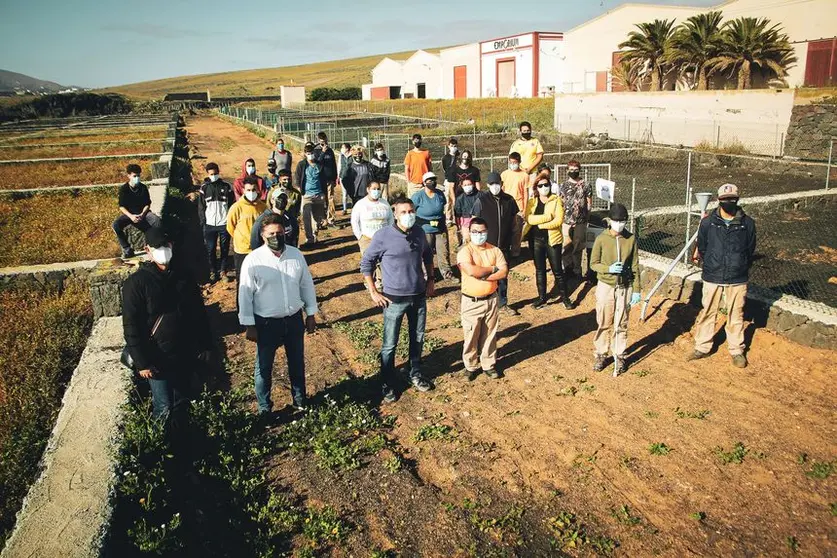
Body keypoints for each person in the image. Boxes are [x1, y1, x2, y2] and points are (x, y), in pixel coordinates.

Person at [122, 226, 212, 426]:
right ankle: (161, 449)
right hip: (156, 358)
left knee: (183, 402)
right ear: (148, 250)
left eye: (166, 244)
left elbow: (198, 313)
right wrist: (142, 362)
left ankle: (182, 447)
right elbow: (131, 325)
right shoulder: (136, 284)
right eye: (158, 246)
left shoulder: (184, 276)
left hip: (183, 352)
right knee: (164, 407)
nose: (163, 249)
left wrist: (205, 345)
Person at [239, 214, 318, 415]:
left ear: (285, 233)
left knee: (297, 363)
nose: (276, 236)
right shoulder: (253, 260)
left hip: (293, 320)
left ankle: (300, 401)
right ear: (263, 235)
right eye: (271, 233)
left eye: (280, 233)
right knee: (264, 368)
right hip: (266, 323)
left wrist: (310, 313)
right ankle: (265, 408)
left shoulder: (296, 255)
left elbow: (306, 284)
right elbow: (245, 293)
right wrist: (249, 324)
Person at [360, 197, 435, 403]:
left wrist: (430, 279)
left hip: (418, 296)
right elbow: (366, 263)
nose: (408, 215)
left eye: (411, 211)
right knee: (390, 344)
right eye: (403, 212)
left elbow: (428, 255)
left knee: (417, 337)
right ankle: (387, 382)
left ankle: (415, 373)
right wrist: (373, 291)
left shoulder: (420, 233)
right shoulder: (383, 236)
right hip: (393, 300)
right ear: (395, 214)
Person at [688, 183, 756, 368]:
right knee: (708, 311)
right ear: (718, 200)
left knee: (736, 315)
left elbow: (750, 249)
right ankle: (702, 347)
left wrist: (740, 264)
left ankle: (736, 350)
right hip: (713, 274)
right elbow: (702, 247)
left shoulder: (747, 224)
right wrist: (711, 262)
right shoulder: (708, 223)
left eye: (732, 199)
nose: (729, 202)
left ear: (738, 199)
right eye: (725, 199)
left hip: (737, 276)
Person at [589, 203, 640, 376]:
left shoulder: (630, 239)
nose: (620, 224)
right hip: (606, 285)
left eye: (623, 221)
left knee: (622, 322)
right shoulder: (602, 239)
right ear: (610, 221)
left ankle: (620, 355)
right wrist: (608, 268)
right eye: (617, 220)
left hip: (624, 287)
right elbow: (593, 264)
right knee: (604, 321)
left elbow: (634, 265)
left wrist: (636, 289)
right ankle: (601, 354)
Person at [457, 217, 509, 381]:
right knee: (471, 334)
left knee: (490, 334)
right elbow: (472, 271)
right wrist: (492, 269)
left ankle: (488, 364)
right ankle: (471, 366)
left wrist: (485, 276)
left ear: (487, 232)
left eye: (482, 232)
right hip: (471, 301)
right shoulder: (465, 251)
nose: (478, 235)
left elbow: (504, 272)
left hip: (491, 299)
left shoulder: (495, 250)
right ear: (469, 232)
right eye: (475, 232)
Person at [522, 171, 573, 309]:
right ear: (536, 188)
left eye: (546, 185)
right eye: (541, 186)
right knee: (540, 269)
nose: (544, 188)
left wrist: (541, 224)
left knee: (557, 270)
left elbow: (558, 220)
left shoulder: (556, 200)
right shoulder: (532, 202)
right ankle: (542, 297)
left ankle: (565, 298)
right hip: (536, 240)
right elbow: (529, 219)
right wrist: (547, 217)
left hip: (552, 240)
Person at [471, 172, 519, 316]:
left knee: (502, 275)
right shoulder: (482, 200)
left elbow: (514, 221)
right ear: (487, 185)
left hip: (504, 245)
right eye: (492, 184)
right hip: (486, 246)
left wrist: (512, 239)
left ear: (501, 183)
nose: (495, 186)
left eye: (497, 183)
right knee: (485, 273)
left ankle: (502, 303)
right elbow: (474, 221)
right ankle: (484, 302)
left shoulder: (509, 200)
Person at [227, 176, 266, 309]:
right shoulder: (236, 207)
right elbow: (230, 227)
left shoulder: (263, 207)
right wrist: (242, 239)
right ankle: (242, 311)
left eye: (254, 189)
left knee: (259, 281)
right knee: (242, 282)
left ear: (258, 190)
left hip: (259, 251)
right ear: (243, 190)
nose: (251, 192)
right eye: (248, 189)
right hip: (242, 251)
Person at [350, 181, 393, 290]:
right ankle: (369, 282)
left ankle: (380, 280)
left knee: (383, 260)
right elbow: (354, 221)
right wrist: (360, 237)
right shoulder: (361, 204)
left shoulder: (384, 203)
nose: (376, 191)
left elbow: (390, 219)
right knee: (369, 261)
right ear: (368, 190)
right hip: (367, 238)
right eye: (373, 188)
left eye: (378, 189)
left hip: (383, 239)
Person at [113, 164, 162, 259]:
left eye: (138, 176)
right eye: (134, 176)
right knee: (116, 225)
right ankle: (127, 249)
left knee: (157, 221)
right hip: (129, 214)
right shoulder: (124, 189)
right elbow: (122, 206)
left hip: (143, 213)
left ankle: (156, 246)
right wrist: (131, 216)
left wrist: (142, 215)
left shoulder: (143, 188)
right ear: (129, 176)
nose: (137, 178)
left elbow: (147, 204)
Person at [412, 171, 454, 281]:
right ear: (424, 182)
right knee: (426, 252)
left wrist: (441, 221)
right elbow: (411, 211)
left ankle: (447, 273)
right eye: (429, 180)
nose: (432, 182)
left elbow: (443, 208)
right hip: (425, 229)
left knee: (443, 251)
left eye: (434, 180)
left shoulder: (440, 194)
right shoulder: (418, 196)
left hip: (440, 228)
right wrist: (423, 222)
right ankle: (426, 275)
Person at [200, 162, 234, 283]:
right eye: (211, 174)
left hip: (224, 223)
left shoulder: (227, 187)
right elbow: (201, 207)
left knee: (225, 249)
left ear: (218, 172)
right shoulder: (204, 188)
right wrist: (203, 223)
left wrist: (230, 221)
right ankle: (213, 271)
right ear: (207, 174)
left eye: (215, 173)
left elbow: (232, 205)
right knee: (211, 249)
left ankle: (223, 271)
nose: (213, 176)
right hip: (209, 224)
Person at [559, 159, 592, 280]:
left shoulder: (586, 185)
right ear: (567, 170)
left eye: (576, 170)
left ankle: (577, 269)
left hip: (580, 221)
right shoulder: (563, 185)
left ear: (579, 170)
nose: (573, 172)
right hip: (566, 221)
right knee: (566, 246)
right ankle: (567, 268)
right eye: (571, 170)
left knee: (578, 246)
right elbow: (561, 202)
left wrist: (586, 217)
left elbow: (589, 203)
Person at [294, 142, 327, 248]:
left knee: (317, 218)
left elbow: (323, 180)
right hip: (307, 195)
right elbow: (298, 178)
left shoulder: (320, 165)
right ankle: (309, 239)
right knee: (306, 217)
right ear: (305, 154)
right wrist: (300, 191)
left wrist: (324, 194)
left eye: (311, 152)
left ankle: (315, 234)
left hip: (319, 194)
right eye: (308, 153)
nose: (310, 154)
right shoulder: (302, 165)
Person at [500, 152, 529, 258]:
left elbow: (525, 194)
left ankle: (515, 253)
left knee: (517, 232)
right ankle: (505, 251)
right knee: (506, 230)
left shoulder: (524, 175)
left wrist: (525, 210)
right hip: (507, 207)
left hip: (519, 207)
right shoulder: (504, 174)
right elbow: (501, 191)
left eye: (515, 162)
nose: (513, 164)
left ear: (519, 162)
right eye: (511, 162)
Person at [443, 149, 481, 225]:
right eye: (464, 156)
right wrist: (454, 200)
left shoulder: (475, 170)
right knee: (459, 218)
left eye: (467, 157)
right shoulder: (453, 170)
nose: (465, 158)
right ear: (460, 157)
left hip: (472, 198)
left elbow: (478, 185)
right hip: (459, 197)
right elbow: (451, 187)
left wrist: (479, 198)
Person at [314, 132, 338, 225]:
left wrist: (335, 178)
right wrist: (323, 152)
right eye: (322, 142)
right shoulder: (316, 151)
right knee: (322, 199)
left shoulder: (330, 151)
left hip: (330, 179)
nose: (324, 144)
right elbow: (317, 163)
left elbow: (334, 165)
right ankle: (322, 219)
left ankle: (331, 219)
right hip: (320, 179)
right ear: (319, 141)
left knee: (331, 199)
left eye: (325, 141)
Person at [404, 133, 432, 198]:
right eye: (415, 140)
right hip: (413, 184)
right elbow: (406, 169)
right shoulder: (410, 154)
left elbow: (430, 167)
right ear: (413, 141)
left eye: (418, 140)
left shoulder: (426, 153)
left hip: (425, 184)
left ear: (421, 141)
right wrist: (409, 182)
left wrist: (429, 180)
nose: (417, 142)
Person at [453, 177, 479, 246]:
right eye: (465, 185)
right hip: (466, 225)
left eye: (469, 184)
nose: (467, 186)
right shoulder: (459, 199)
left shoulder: (480, 195)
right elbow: (457, 214)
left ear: (473, 184)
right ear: (461, 186)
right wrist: (459, 226)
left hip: (478, 224)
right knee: (467, 245)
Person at [337, 143, 354, 214]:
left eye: (343, 147)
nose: (342, 149)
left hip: (352, 177)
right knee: (344, 193)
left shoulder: (352, 156)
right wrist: (338, 176)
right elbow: (339, 166)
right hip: (343, 176)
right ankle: (344, 209)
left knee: (352, 193)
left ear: (347, 149)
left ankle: (354, 208)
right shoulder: (341, 156)